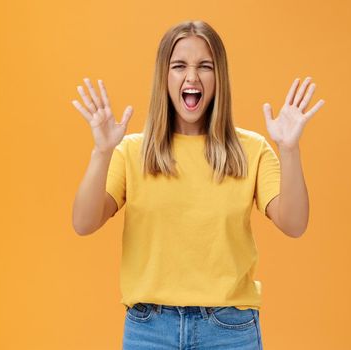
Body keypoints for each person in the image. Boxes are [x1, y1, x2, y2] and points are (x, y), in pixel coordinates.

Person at [71, 19, 324, 350]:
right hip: (150, 330)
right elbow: (83, 222)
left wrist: (289, 150)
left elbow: (294, 223)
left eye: (205, 66)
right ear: (165, 77)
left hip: (229, 330)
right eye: (179, 66)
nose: (192, 77)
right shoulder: (132, 151)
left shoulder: (251, 150)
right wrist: (101, 152)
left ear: (219, 78)